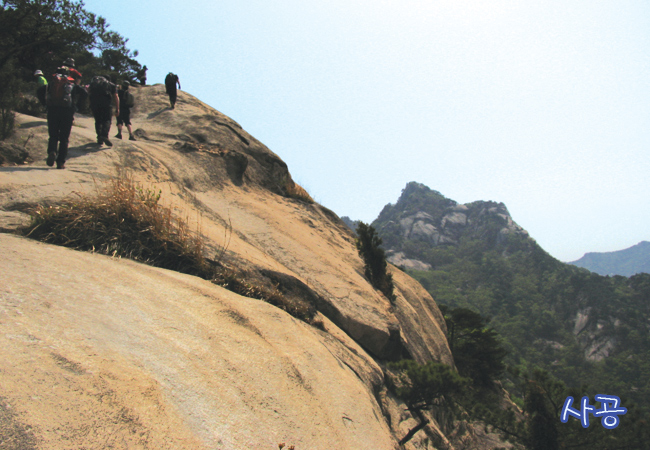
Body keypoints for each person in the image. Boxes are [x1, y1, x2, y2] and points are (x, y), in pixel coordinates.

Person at [36, 67, 88, 169]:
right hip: (67, 112)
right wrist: (77, 106)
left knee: (53, 135)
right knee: (64, 138)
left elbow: (39, 91)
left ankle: (52, 151)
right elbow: (85, 93)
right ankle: (60, 162)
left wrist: (45, 104)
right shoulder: (71, 85)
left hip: (52, 110)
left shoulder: (51, 84)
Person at [88, 75, 119, 146]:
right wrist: (117, 109)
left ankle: (99, 137)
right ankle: (104, 135)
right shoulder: (111, 85)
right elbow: (116, 97)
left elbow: (89, 93)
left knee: (98, 121)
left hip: (94, 104)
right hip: (106, 105)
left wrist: (90, 104)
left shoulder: (95, 83)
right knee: (107, 120)